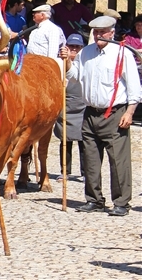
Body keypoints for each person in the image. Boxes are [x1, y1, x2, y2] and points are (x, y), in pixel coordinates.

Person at [61, 16, 141, 217]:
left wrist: (130, 112)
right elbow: (75, 76)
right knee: (90, 160)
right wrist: (68, 61)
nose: (98, 35)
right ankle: (94, 199)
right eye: (95, 32)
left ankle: (121, 202)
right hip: (89, 112)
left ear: (112, 32)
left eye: (102, 31)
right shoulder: (86, 52)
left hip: (115, 112)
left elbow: (134, 87)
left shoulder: (122, 54)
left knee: (118, 161)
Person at [53, 33, 86, 182]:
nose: (74, 49)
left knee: (84, 141)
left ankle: (86, 172)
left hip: (82, 106)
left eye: (77, 47)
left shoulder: (85, 62)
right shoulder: (59, 64)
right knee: (65, 140)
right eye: (71, 46)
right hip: (65, 106)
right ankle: (65, 170)